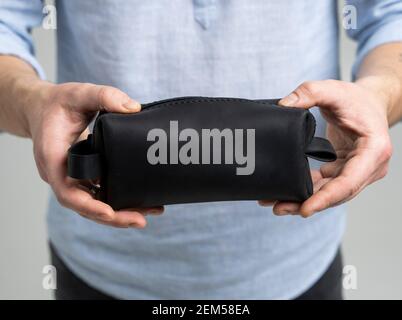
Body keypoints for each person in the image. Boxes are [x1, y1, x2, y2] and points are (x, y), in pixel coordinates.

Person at [0, 0, 401, 300]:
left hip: (299, 265)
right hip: (99, 266)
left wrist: (379, 96)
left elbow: (391, 15)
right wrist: (31, 104)